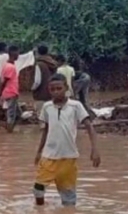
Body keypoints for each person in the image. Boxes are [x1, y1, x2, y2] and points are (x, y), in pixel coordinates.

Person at [33, 74, 101, 206]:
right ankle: (39, 211)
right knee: (38, 189)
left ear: (66, 88)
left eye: (59, 88)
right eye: (52, 89)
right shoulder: (47, 107)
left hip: (68, 157)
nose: (56, 92)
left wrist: (95, 149)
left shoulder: (75, 106)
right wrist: (38, 151)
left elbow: (89, 127)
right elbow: (46, 130)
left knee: (68, 196)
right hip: (49, 156)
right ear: (49, 90)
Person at [32, 45, 60, 127]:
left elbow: (37, 81)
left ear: (38, 53)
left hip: (41, 94)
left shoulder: (39, 64)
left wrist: (32, 89)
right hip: (52, 93)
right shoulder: (53, 63)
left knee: (42, 119)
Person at [0, 45, 21, 133]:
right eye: (18, 53)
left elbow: (2, 80)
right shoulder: (10, 67)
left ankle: (7, 126)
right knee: (11, 114)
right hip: (11, 93)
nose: (19, 55)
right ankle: (9, 129)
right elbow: (3, 81)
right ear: (13, 54)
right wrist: (0, 94)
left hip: (11, 92)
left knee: (18, 114)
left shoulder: (8, 65)